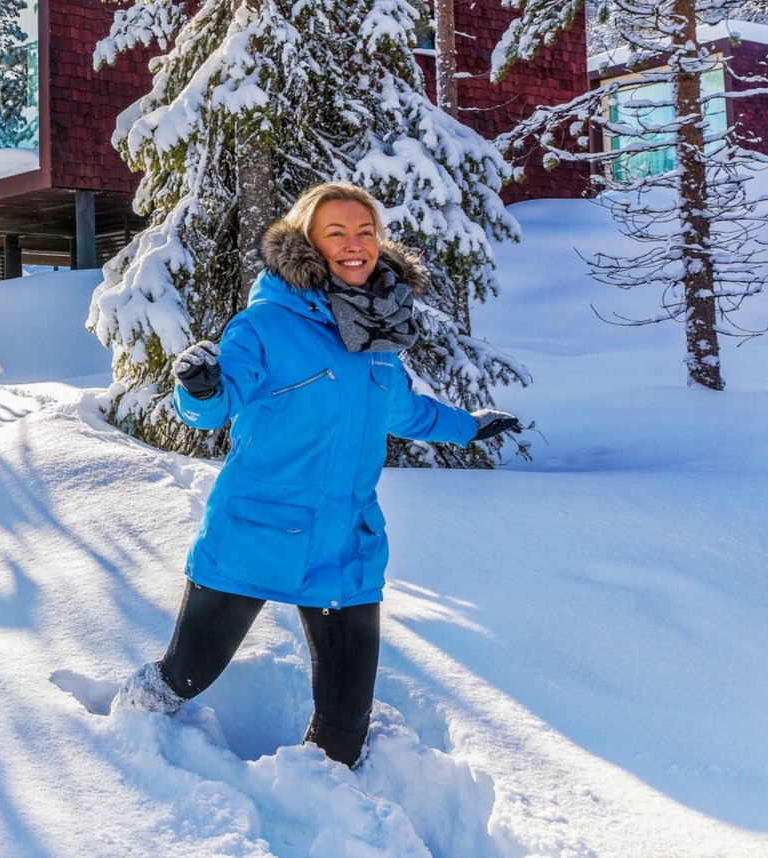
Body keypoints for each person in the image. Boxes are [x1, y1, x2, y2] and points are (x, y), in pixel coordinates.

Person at [114, 181, 521, 767]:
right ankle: (122, 730)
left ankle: (323, 802)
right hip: (256, 535)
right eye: (337, 232)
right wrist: (198, 388)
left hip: (347, 546)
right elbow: (217, 405)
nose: (355, 244)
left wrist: (467, 427)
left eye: (365, 231)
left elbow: (403, 410)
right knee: (183, 675)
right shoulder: (264, 326)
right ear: (308, 243)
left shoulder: (376, 336)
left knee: (344, 729)